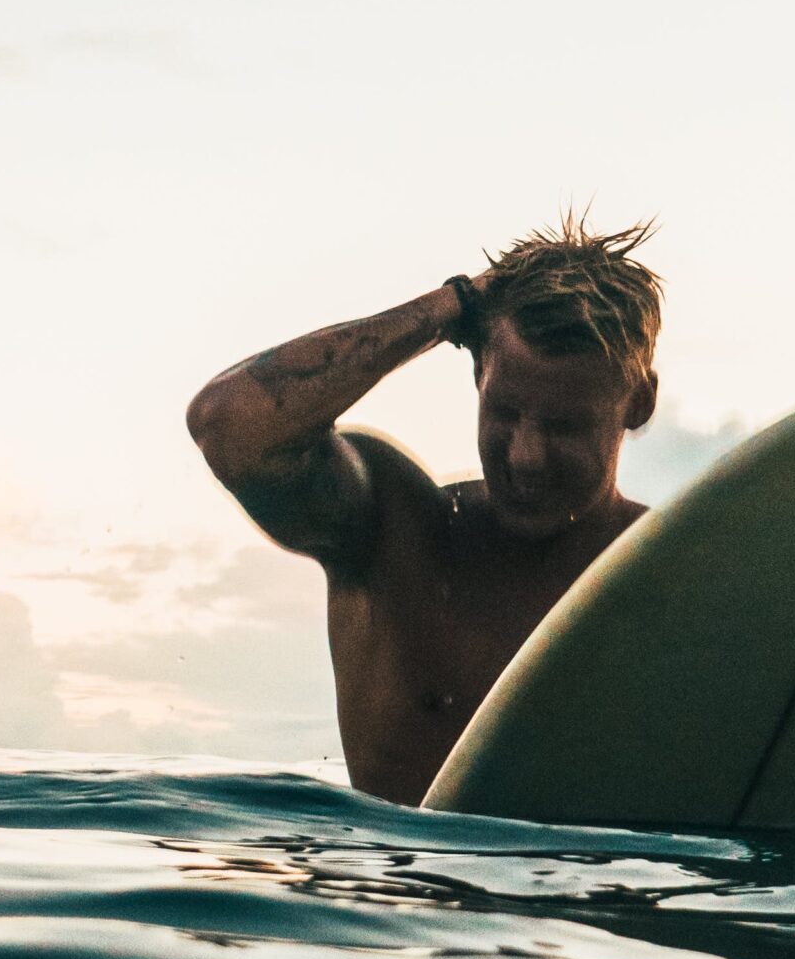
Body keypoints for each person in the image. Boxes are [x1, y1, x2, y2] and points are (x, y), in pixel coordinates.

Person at [185, 217, 665, 804]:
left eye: (565, 426)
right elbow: (231, 423)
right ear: (477, 375)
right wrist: (453, 305)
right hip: (401, 887)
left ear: (638, 403)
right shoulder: (397, 533)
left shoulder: (673, 570)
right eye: (505, 413)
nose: (526, 456)